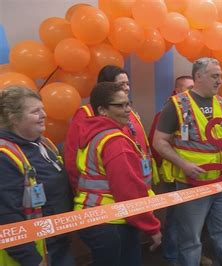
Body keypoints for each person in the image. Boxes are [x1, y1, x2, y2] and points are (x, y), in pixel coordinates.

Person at [154, 57, 222, 266]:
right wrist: (183, 164)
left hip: (221, 183)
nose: (220, 81)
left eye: (221, 77)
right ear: (198, 76)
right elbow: (159, 141)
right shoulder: (177, 105)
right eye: (215, 76)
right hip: (192, 185)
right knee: (191, 242)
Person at [73, 82, 162, 266]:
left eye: (128, 103)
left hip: (95, 218)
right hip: (111, 221)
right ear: (102, 110)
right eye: (120, 105)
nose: (127, 109)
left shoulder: (95, 133)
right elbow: (128, 191)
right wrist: (152, 228)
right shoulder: (114, 142)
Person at [0, 86, 75, 266]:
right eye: (35, 111)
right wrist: (32, 259)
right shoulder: (4, 155)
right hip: (35, 250)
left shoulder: (44, 143)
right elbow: (7, 215)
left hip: (58, 240)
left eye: (42, 109)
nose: (44, 115)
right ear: (13, 118)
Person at [65, 65, 158, 192]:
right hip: (108, 192)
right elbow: (72, 154)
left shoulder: (129, 112)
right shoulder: (86, 113)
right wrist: (78, 186)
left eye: (127, 84)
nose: (126, 88)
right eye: (121, 84)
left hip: (140, 182)